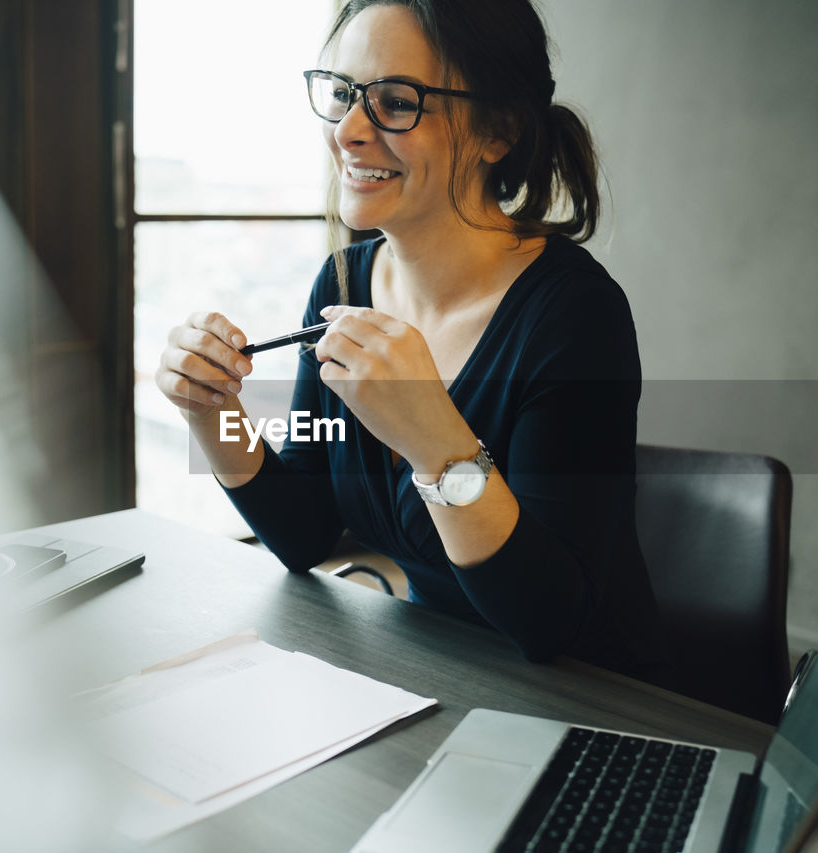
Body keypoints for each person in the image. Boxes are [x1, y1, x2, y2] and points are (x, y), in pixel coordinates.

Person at [157, 0, 667, 681]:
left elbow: (550, 623)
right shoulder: (342, 283)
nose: (349, 131)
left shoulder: (575, 316)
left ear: (499, 130)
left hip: (594, 706)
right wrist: (212, 410)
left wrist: (437, 445)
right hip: (434, 672)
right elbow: (306, 531)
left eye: (396, 101)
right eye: (342, 96)